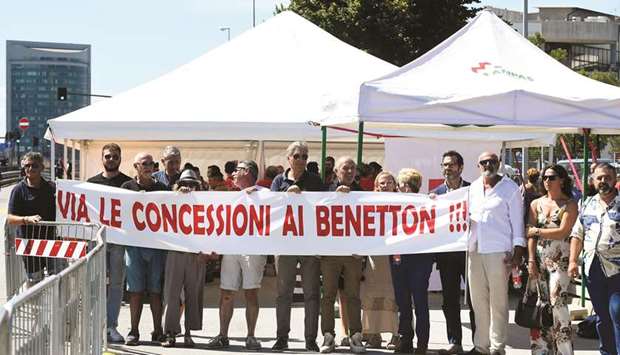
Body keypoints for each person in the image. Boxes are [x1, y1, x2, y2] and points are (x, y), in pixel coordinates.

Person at [467, 152, 525, 355]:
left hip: (499, 252)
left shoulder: (510, 188)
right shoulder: (473, 187)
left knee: (498, 302)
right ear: (478, 165)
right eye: (483, 162)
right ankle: (481, 346)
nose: (488, 165)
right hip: (474, 250)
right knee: (478, 301)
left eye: (492, 161)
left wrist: (518, 252)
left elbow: (518, 222)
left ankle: (497, 347)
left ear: (499, 164)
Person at [206, 160, 267, 351]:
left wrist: (256, 196)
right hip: (232, 248)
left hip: (254, 249)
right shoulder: (230, 195)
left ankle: (251, 336)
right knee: (226, 292)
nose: (232, 173)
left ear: (247, 172)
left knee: (251, 293)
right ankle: (223, 334)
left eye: (237, 170)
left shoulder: (265, 194)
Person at [271, 141, 324, 352]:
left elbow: (324, 208)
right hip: (285, 245)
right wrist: (286, 196)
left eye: (305, 156)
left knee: (312, 293)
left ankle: (310, 339)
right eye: (297, 156)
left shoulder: (315, 181)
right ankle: (281, 337)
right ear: (288, 158)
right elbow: (271, 208)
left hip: (309, 244)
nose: (302, 160)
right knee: (284, 293)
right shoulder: (278, 181)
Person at [569, 162, 620, 355]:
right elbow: (577, 234)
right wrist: (573, 261)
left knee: (617, 311)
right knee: (602, 317)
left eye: (607, 177)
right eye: (599, 178)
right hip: (593, 268)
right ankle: (607, 351)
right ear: (592, 180)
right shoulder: (587, 203)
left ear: (615, 179)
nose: (603, 181)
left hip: (617, 269)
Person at [526, 165, 577, 355]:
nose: (547, 181)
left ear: (562, 180)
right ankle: (540, 350)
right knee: (540, 305)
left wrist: (537, 231)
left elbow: (563, 231)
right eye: (544, 177)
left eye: (552, 177)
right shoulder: (535, 204)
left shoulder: (569, 204)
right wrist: (530, 260)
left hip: (559, 263)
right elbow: (528, 235)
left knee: (558, 303)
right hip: (538, 262)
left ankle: (564, 351)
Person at [161, 169, 214, 348]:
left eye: (193, 184)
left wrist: (209, 250)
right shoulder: (172, 199)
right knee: (172, 294)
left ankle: (189, 332)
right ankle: (169, 332)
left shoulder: (206, 203)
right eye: (185, 184)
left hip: (196, 253)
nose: (189, 188)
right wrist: (177, 196)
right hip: (175, 251)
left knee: (194, 293)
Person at [121, 153, 168, 346]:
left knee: (156, 290)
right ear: (136, 166)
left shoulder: (162, 189)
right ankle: (134, 330)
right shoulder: (126, 188)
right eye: (144, 163)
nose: (149, 166)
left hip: (156, 246)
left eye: (152, 163)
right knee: (135, 291)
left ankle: (158, 330)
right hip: (134, 246)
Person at [87, 143, 132, 343]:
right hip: (97, 241)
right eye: (107, 156)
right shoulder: (91, 183)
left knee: (116, 284)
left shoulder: (129, 184)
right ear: (102, 159)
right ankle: (96, 324)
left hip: (119, 242)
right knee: (95, 284)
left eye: (114, 157)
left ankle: (111, 326)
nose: (111, 160)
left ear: (120, 159)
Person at [320, 156, 366, 354]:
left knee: (353, 296)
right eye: (345, 168)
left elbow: (368, 222)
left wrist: (363, 249)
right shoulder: (325, 191)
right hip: (331, 253)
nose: (349, 172)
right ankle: (328, 336)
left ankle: (356, 336)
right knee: (328, 295)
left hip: (353, 254)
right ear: (336, 171)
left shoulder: (363, 193)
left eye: (352, 168)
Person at [431, 151, 475, 355]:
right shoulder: (435, 193)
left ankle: (479, 341)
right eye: (444, 164)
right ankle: (455, 341)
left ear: (461, 167)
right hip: (447, 256)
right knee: (449, 301)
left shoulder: (473, 190)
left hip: (470, 254)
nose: (447, 168)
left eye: (451, 165)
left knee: (476, 300)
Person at [391, 168, 434, 355]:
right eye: (403, 184)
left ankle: (422, 344)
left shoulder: (427, 202)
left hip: (420, 260)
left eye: (409, 185)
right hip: (398, 259)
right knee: (403, 303)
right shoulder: (392, 203)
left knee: (420, 303)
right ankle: (406, 340)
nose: (404, 188)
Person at [361, 171, 400, 350]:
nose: (385, 185)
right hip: (375, 257)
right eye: (382, 183)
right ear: (376, 185)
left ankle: (396, 335)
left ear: (394, 184)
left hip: (395, 255)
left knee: (394, 296)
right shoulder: (368, 202)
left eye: (389, 182)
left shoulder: (403, 202)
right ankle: (373, 335)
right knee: (372, 294)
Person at [7, 152, 56, 286]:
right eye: (27, 165)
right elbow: (10, 218)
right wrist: (26, 219)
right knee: (34, 283)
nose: (30, 168)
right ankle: (35, 308)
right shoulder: (18, 190)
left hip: (53, 243)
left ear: (42, 167)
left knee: (58, 280)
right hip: (29, 245)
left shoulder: (52, 188)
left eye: (34, 165)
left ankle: (57, 308)